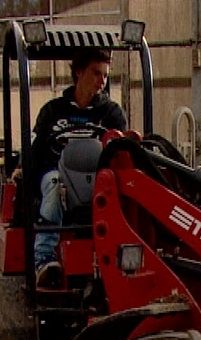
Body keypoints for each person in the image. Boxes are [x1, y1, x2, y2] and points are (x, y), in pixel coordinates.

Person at [32, 48, 127, 287]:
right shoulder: (53, 111)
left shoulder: (111, 113)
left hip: (98, 179)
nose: (101, 81)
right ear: (78, 72)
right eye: (96, 73)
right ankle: (43, 260)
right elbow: (36, 151)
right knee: (53, 183)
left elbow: (123, 151)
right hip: (57, 175)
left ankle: (122, 254)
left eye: (105, 76)